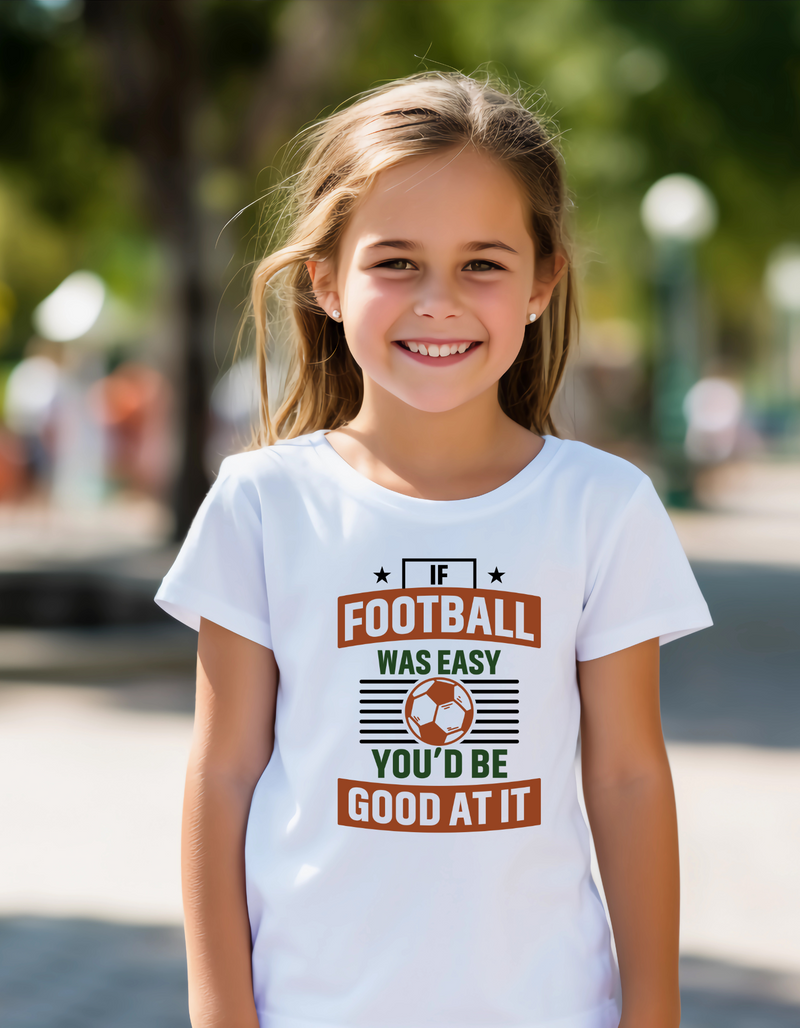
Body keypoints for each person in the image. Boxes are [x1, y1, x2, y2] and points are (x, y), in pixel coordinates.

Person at [156, 71, 712, 1028]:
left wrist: (653, 1009)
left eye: (483, 264)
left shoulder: (603, 506)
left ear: (542, 284)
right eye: (397, 262)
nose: (439, 301)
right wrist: (222, 1014)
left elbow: (626, 776)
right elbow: (224, 772)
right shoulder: (262, 504)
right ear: (326, 281)